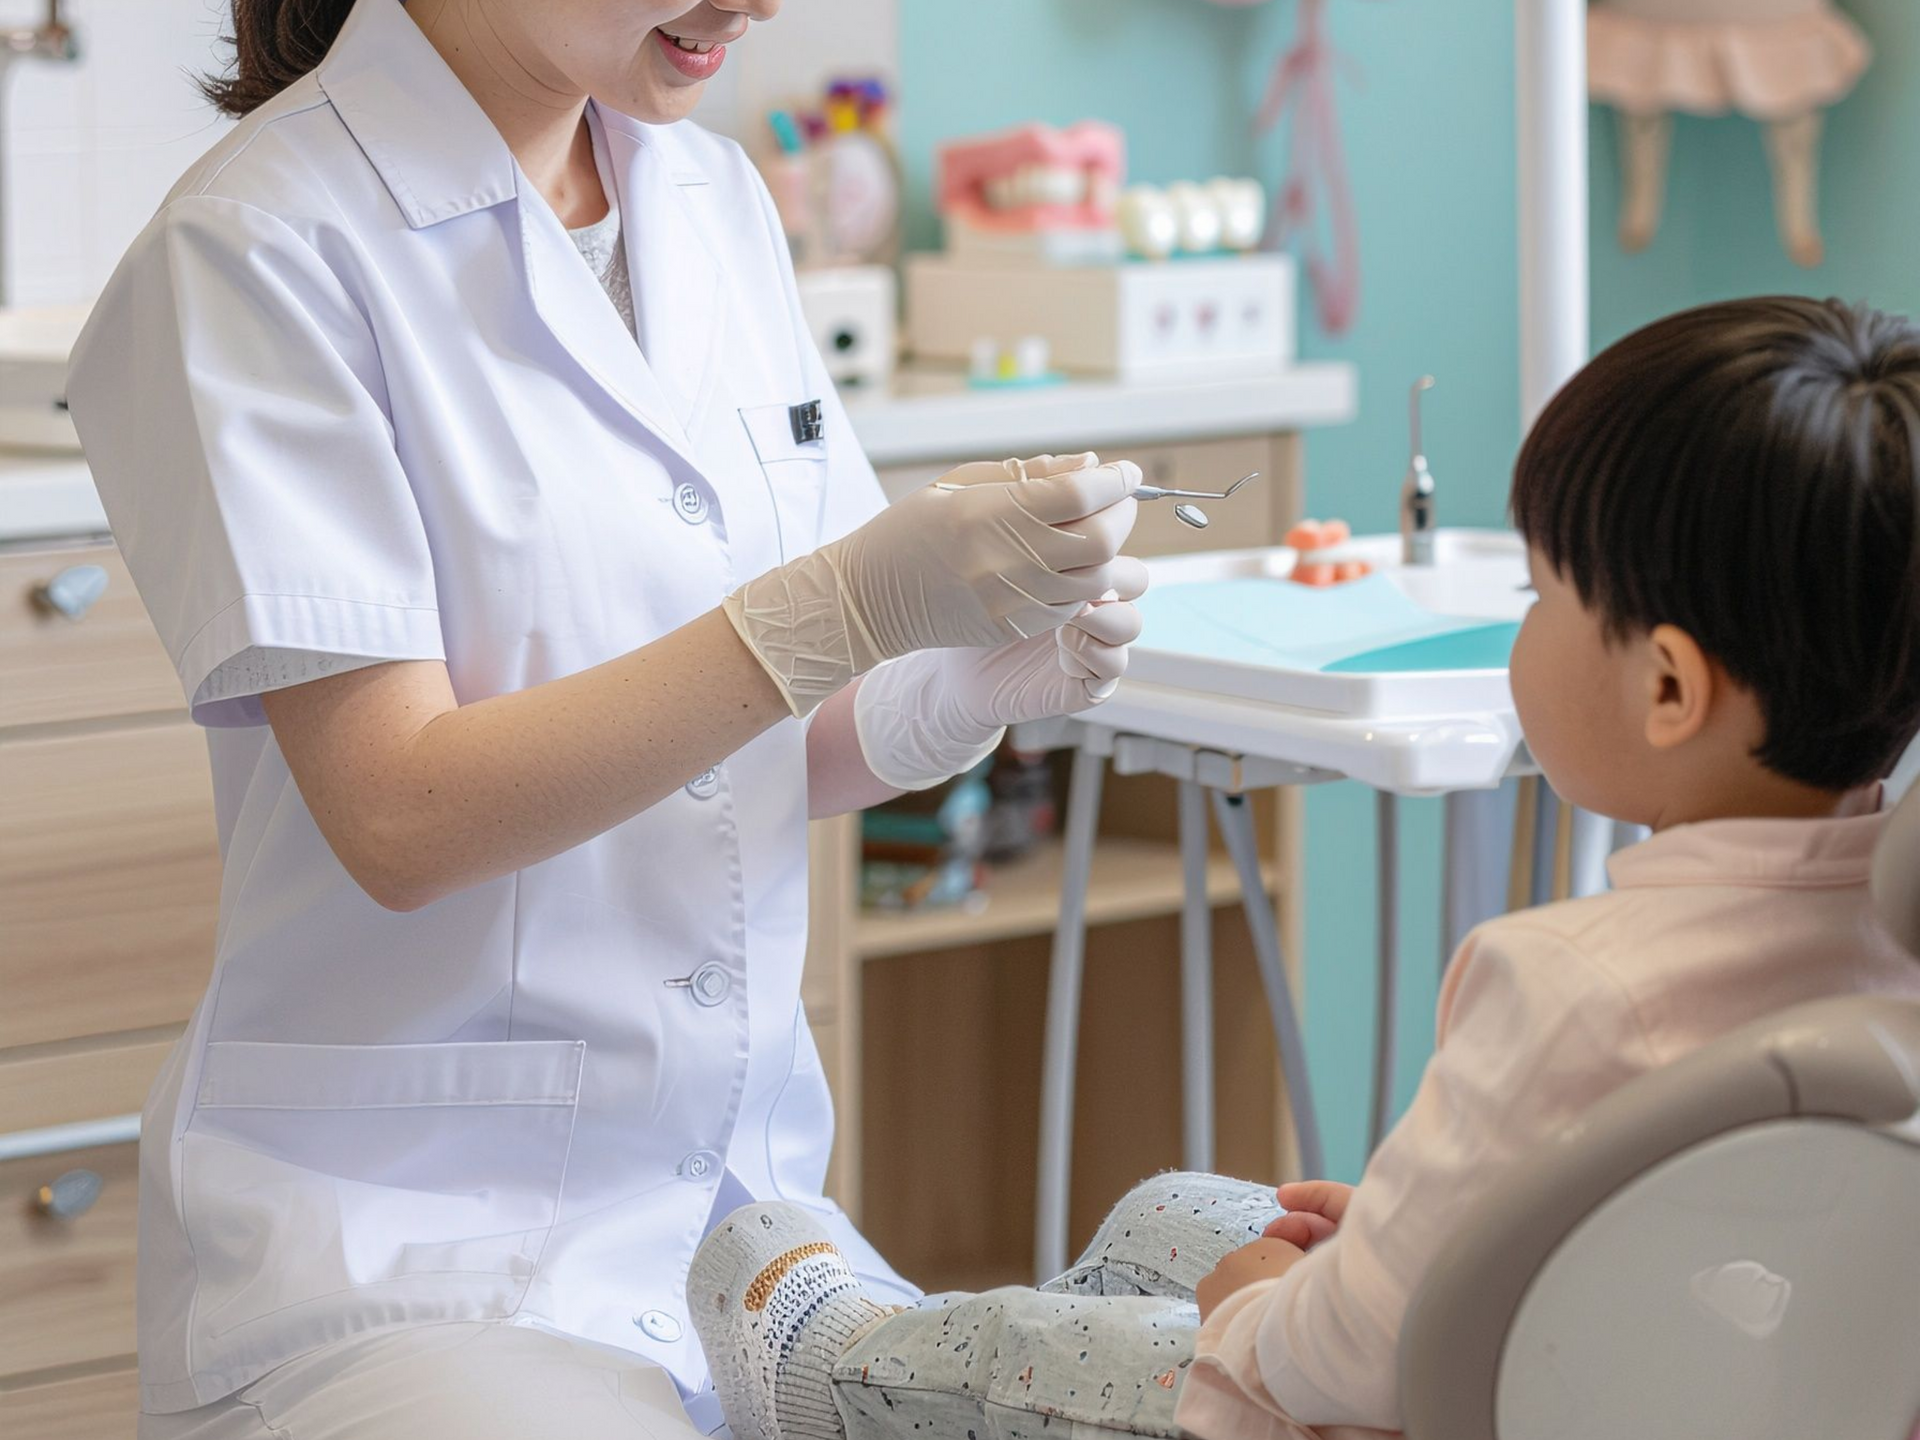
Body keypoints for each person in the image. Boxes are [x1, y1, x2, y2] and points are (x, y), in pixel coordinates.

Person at [65, 2, 1147, 1437]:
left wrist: (945, 697)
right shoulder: (258, 245)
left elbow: (745, 739)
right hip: (411, 1252)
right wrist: (842, 615)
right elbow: (397, 812)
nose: (757, 3)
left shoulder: (711, 198)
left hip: (747, 1241)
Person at [686, 295, 1920, 1440]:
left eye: (1542, 594)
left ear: (1666, 688)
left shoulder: (1564, 982)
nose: (1521, 625)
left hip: (1417, 1402)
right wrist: (1404, 1237)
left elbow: (1349, 1359)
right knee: (1179, 1218)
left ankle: (835, 1371)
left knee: (925, 1317)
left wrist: (1264, 1309)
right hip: (1667, 1357)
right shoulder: (1885, 948)